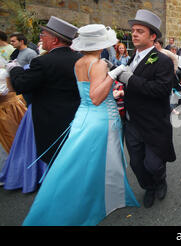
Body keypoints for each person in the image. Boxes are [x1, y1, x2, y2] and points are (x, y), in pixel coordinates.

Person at [22, 24, 139, 226]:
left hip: (82, 116)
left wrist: (110, 88)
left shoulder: (79, 62)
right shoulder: (100, 64)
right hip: (102, 118)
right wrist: (113, 74)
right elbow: (95, 97)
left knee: (81, 163)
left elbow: (87, 93)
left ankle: (101, 198)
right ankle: (104, 199)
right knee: (104, 160)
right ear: (101, 44)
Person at [2, 16, 81, 193]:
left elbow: (21, 85)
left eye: (43, 34)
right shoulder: (79, 58)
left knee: (54, 159)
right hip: (75, 117)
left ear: (54, 39)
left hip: (49, 121)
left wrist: (14, 68)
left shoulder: (42, 62)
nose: (40, 38)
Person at [113, 9, 177, 208]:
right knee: (136, 164)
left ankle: (160, 180)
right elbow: (134, 87)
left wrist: (130, 80)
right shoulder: (133, 58)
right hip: (132, 121)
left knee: (153, 163)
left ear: (153, 36)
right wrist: (123, 91)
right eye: (133, 30)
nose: (134, 34)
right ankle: (149, 187)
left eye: (140, 31)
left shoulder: (163, 60)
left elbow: (161, 90)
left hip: (153, 123)